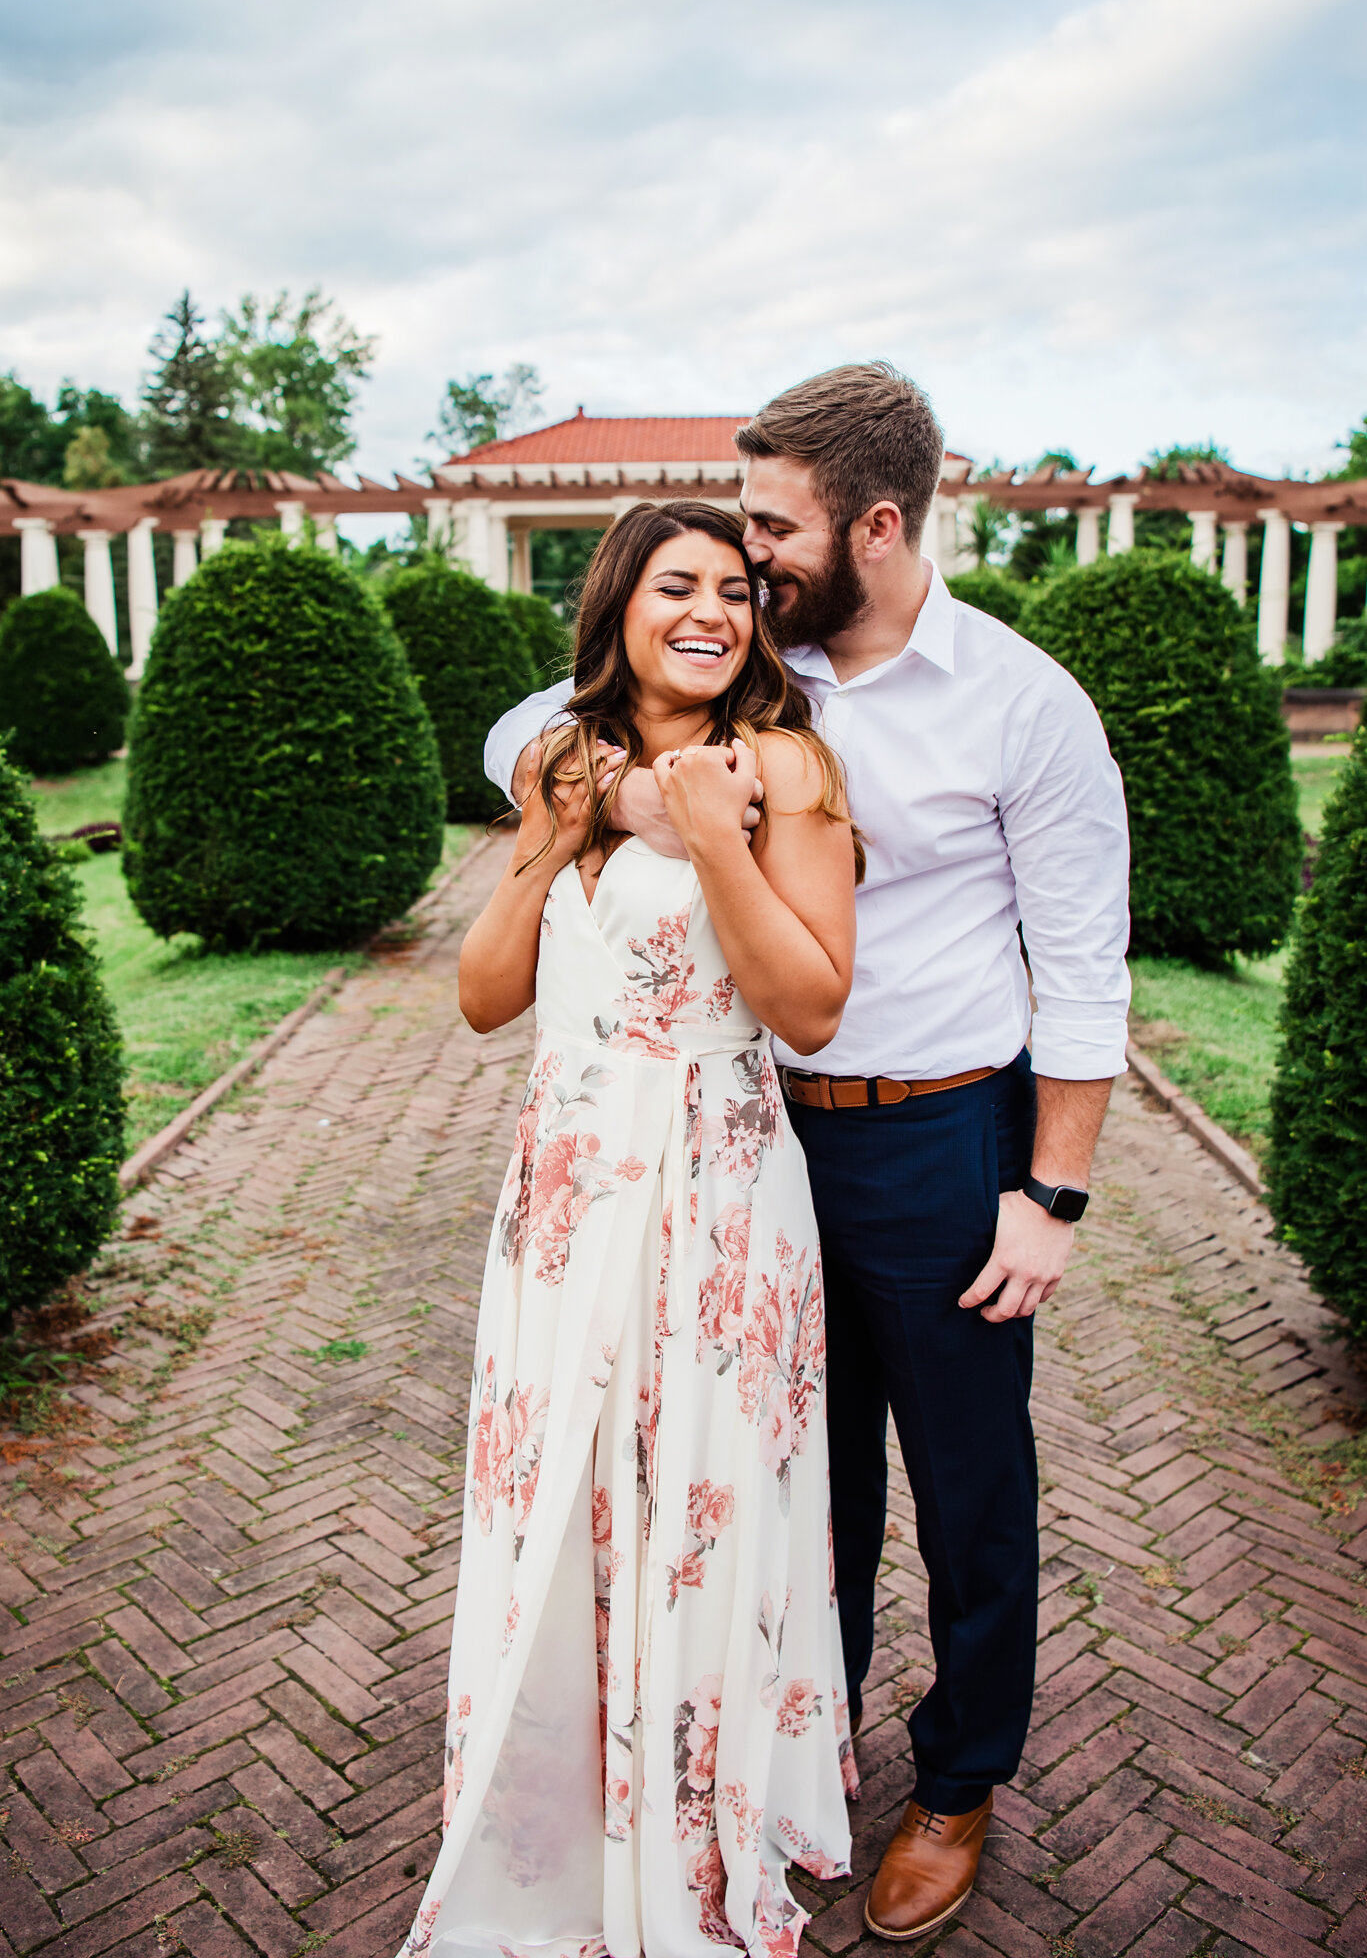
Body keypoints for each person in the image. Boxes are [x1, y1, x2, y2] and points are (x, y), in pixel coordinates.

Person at [485, 364, 1131, 1943]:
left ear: (880, 524)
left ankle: (961, 1784)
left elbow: (1088, 968)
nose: (751, 552)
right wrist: (630, 791)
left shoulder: (1020, 703)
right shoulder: (760, 665)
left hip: (940, 1139)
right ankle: (795, 1751)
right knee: (790, 1479)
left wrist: (1050, 1192)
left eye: (774, 523)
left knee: (969, 1488)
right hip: (748, 1144)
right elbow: (537, 716)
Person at [400, 500, 861, 1958]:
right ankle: (566, 1789)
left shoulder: (785, 767)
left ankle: (693, 1820)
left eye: (737, 589)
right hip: (564, 1187)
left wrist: (716, 834)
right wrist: (558, 830)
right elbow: (484, 996)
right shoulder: (563, 758)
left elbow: (809, 1007)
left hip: (714, 1187)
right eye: (679, 586)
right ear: (618, 604)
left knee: (697, 1493)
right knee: (566, 1492)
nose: (713, 612)